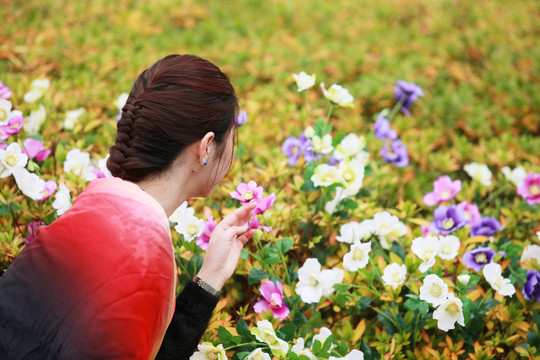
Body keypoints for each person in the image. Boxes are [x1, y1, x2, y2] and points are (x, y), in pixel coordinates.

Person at [0, 54, 256, 359]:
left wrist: (210, 278)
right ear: (207, 146)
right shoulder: (145, 250)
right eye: (231, 139)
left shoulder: (94, 203)